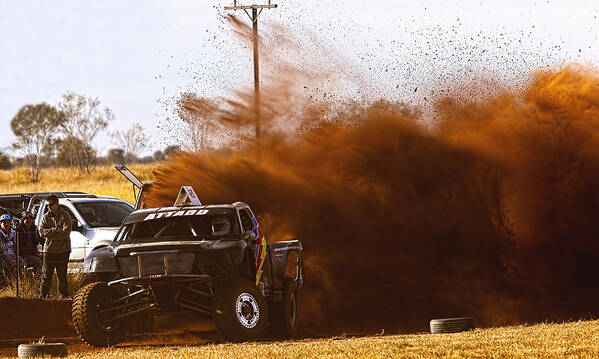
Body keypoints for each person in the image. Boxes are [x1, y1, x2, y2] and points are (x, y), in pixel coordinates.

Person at [39, 195, 72, 299]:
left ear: (57, 204)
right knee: (46, 277)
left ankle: (63, 298)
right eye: (47, 205)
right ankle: (43, 297)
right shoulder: (45, 217)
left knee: (62, 277)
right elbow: (41, 233)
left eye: (51, 205)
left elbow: (65, 233)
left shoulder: (65, 216)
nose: (49, 207)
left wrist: (51, 235)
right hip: (49, 251)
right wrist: (54, 230)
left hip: (63, 251)